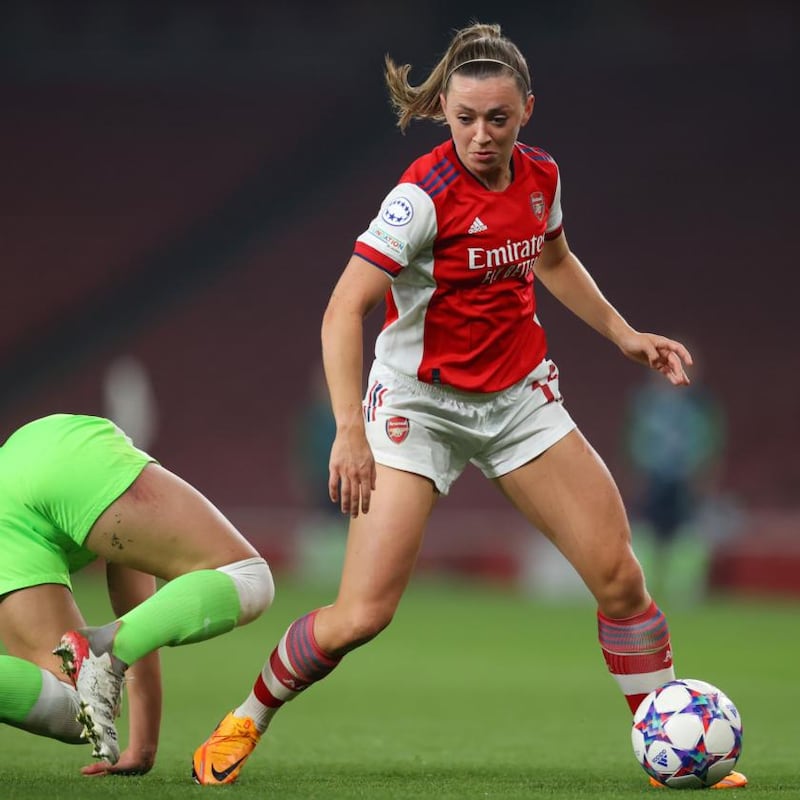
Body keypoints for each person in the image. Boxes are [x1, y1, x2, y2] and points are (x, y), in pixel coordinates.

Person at [191, 22, 746, 790]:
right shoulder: (420, 197)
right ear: (443, 112)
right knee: (361, 615)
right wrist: (350, 430)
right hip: (417, 406)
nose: (480, 135)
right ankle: (248, 716)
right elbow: (341, 309)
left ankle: (667, 749)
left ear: (526, 111)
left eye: (497, 118)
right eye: (464, 118)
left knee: (621, 579)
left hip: (519, 400)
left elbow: (551, 256)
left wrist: (623, 335)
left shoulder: (542, 176)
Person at [0, 413, 274, 775]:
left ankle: (98, 652)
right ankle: (98, 650)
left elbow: (141, 617)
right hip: (64, 450)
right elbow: (139, 623)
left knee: (82, 705)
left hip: (9, 497)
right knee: (249, 576)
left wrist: (142, 747)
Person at [623, 365, 727, 603]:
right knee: (645, 533)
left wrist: (704, 474)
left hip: (684, 478)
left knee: (686, 535)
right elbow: (633, 440)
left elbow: (709, 442)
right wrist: (636, 472)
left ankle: (682, 591)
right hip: (653, 477)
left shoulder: (701, 404)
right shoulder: (644, 403)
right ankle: (640, 588)